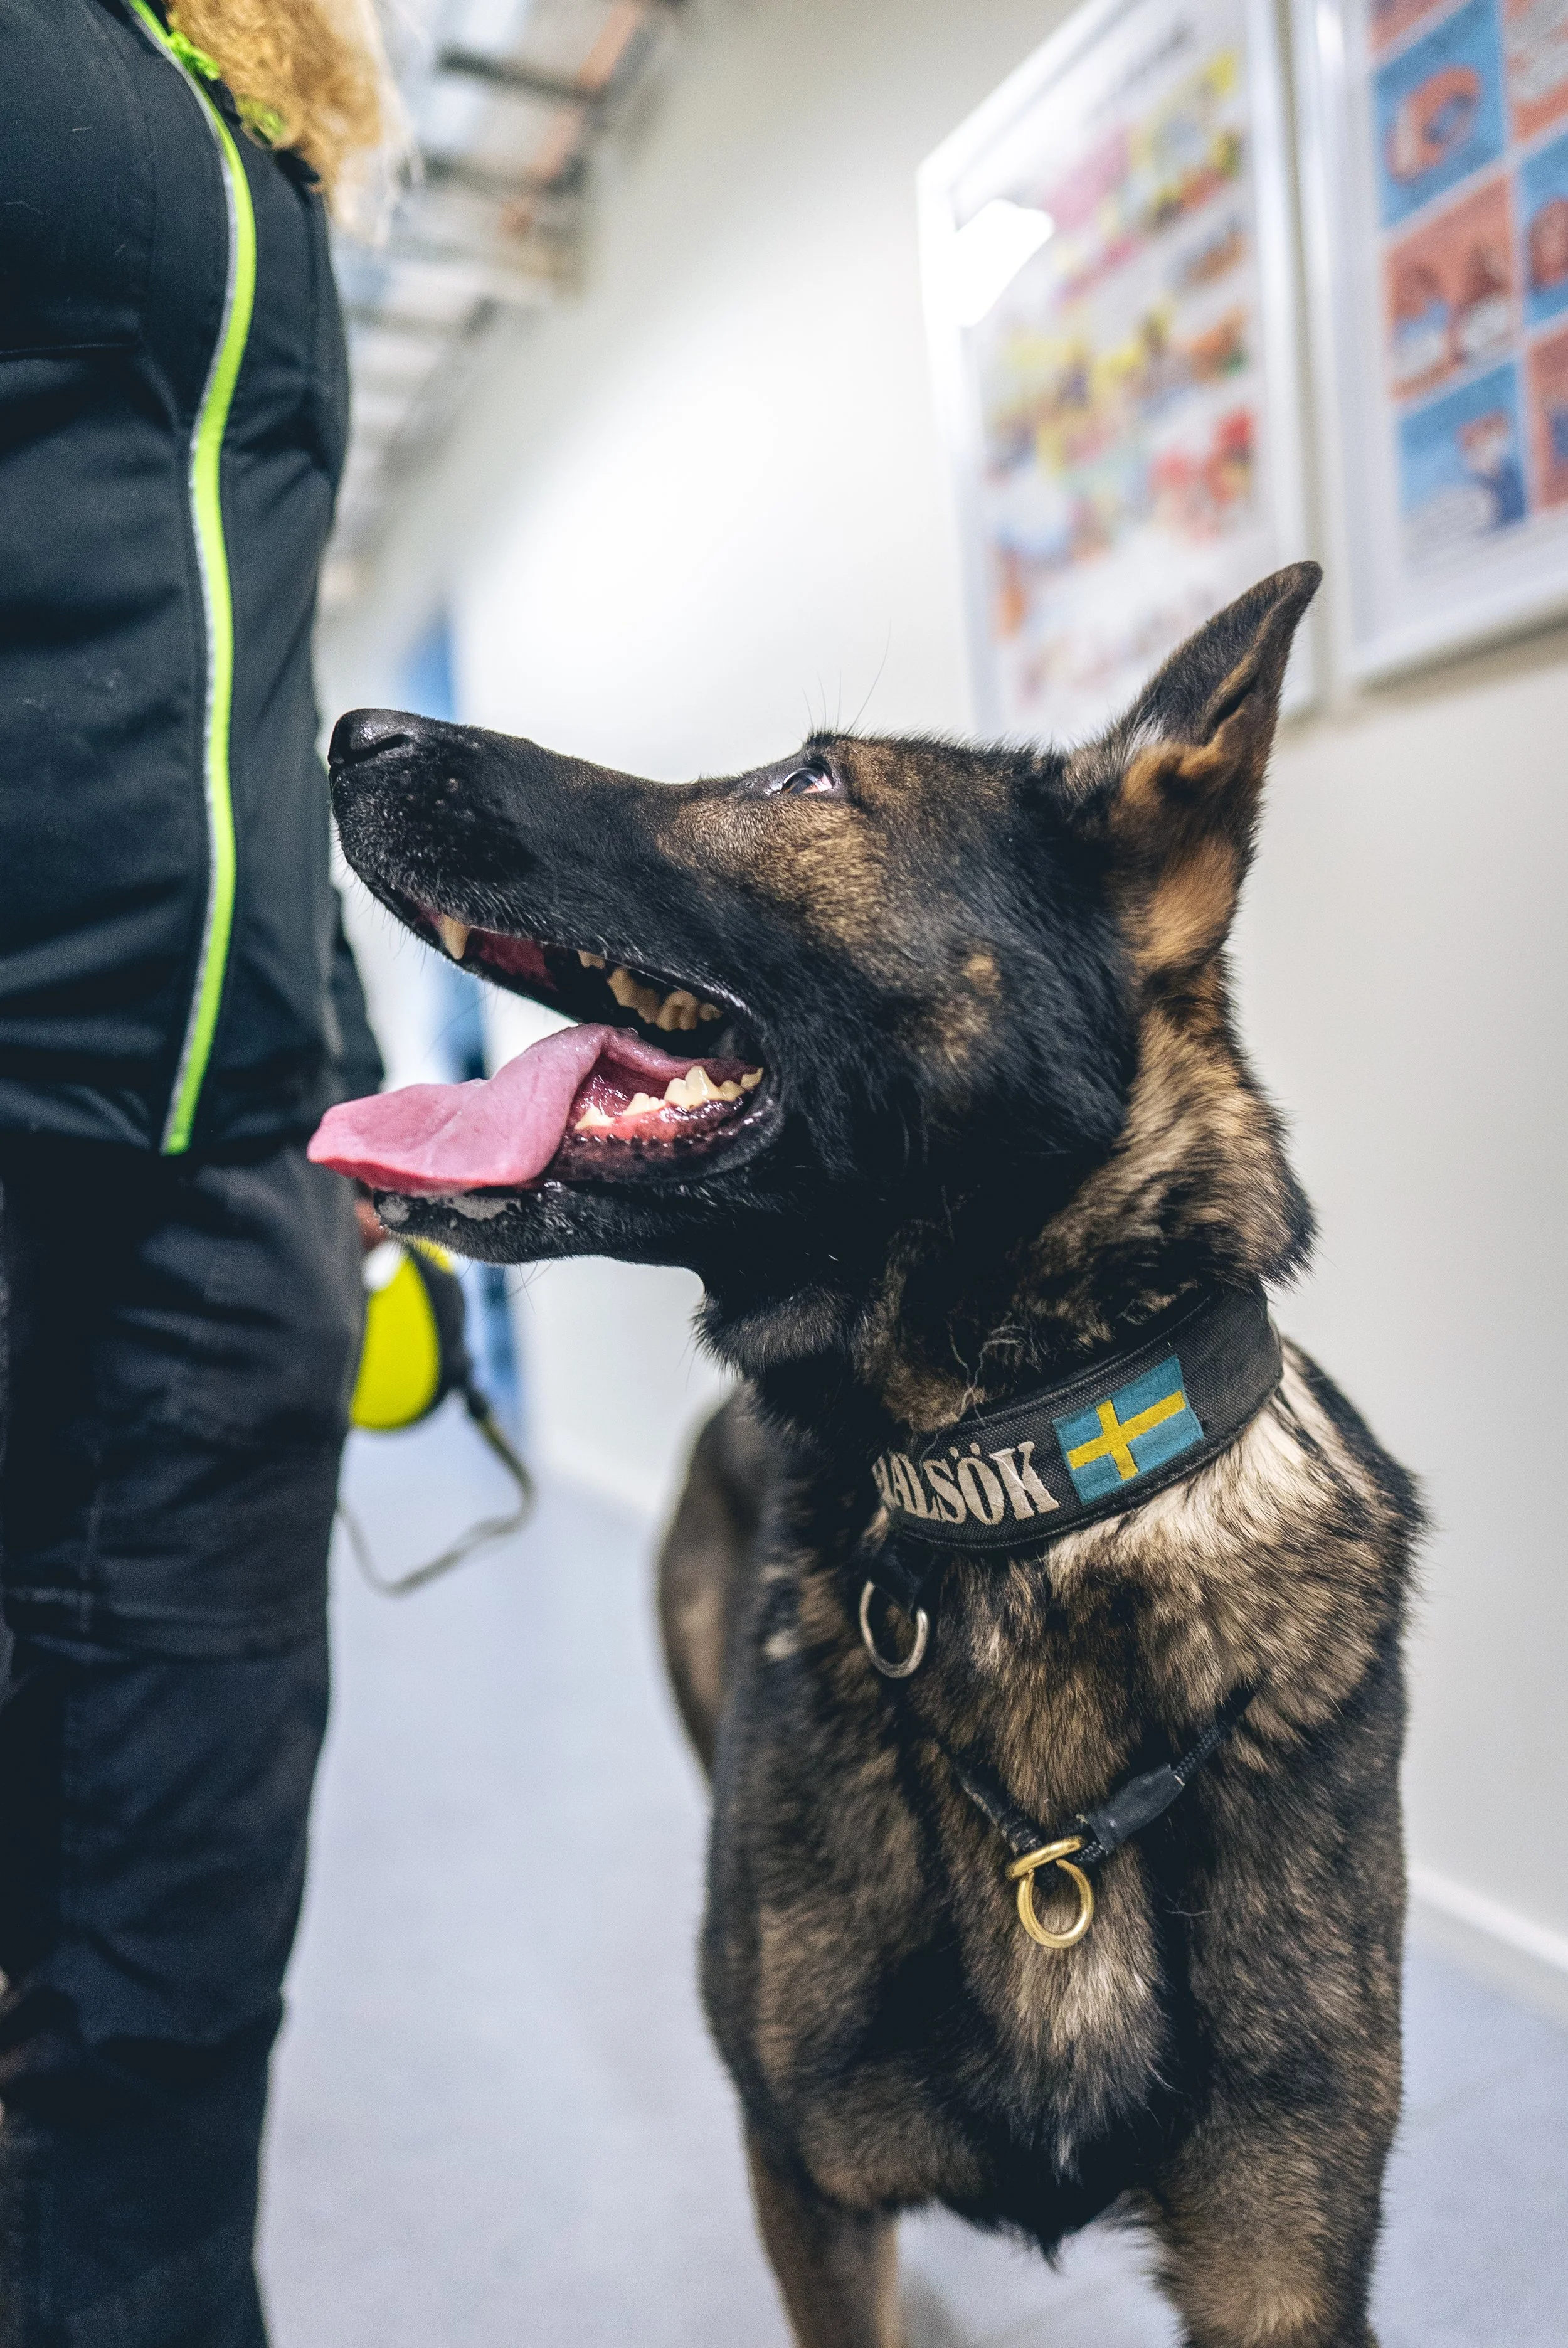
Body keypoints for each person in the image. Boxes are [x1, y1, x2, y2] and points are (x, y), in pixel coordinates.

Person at [0, 4, 398, 2340]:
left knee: (170, 1984)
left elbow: (250, 660)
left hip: (227, 1185)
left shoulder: (252, 80)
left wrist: (340, 1087)